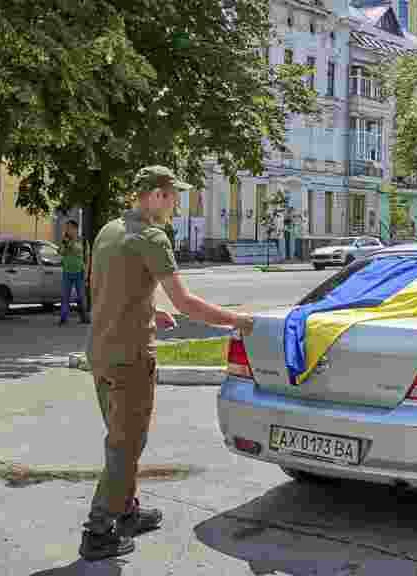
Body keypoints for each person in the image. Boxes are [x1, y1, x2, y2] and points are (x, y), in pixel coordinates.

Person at [81, 166, 255, 561]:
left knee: (121, 438)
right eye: (173, 195)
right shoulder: (152, 237)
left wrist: (150, 308)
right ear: (157, 195)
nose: (176, 202)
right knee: (125, 446)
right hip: (130, 358)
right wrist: (238, 320)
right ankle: (98, 530)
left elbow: (106, 288)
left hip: (101, 353)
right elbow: (188, 303)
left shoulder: (109, 230)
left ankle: (126, 511)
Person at [59, 219, 90, 325]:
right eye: (66, 228)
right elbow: (61, 252)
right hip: (67, 271)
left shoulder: (82, 240)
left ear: (75, 229)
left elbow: (86, 257)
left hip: (79, 271)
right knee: (65, 295)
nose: (67, 230)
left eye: (69, 228)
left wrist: (86, 273)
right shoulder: (65, 240)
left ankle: (84, 317)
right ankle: (63, 317)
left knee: (81, 296)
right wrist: (64, 243)